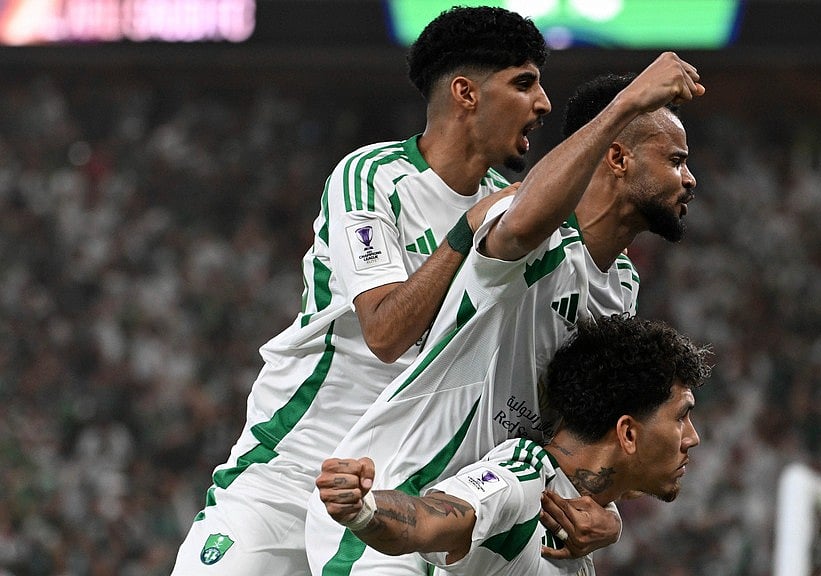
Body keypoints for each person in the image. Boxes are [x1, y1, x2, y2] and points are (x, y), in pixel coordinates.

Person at [170, 6, 551, 575]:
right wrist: (466, 230)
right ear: (466, 93)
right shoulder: (371, 177)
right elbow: (384, 332)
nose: (543, 102)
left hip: (397, 492)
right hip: (294, 469)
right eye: (524, 83)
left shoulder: (517, 216)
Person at [305, 52, 705, 576]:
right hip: (392, 502)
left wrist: (606, 514)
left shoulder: (622, 286)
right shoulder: (530, 233)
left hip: (486, 512)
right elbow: (521, 226)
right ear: (617, 157)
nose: (691, 179)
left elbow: (583, 436)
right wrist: (629, 102)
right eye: (674, 160)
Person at [317, 314, 711, 575]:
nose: (692, 437)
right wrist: (362, 509)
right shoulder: (525, 479)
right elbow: (426, 520)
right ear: (627, 433)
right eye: (681, 416)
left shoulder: (582, 524)